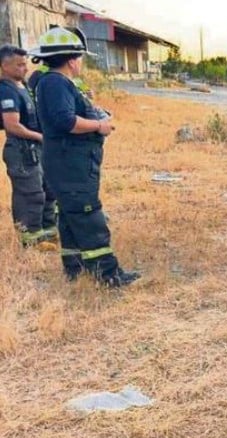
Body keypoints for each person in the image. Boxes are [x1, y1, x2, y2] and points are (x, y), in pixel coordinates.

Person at [30, 27, 138, 286]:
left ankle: (76, 269)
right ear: (71, 59)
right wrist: (99, 126)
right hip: (71, 166)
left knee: (70, 215)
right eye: (80, 58)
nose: (80, 63)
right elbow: (66, 121)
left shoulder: (55, 82)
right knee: (88, 215)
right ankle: (108, 274)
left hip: (67, 163)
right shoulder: (55, 82)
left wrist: (96, 115)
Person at [0, 44, 56, 250]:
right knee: (30, 194)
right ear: (4, 66)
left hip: (36, 148)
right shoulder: (6, 91)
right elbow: (12, 126)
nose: (25, 68)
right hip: (22, 149)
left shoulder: (23, 86)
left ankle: (48, 232)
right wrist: (40, 137)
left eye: (25, 64)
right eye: (20, 65)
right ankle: (31, 240)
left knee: (47, 190)